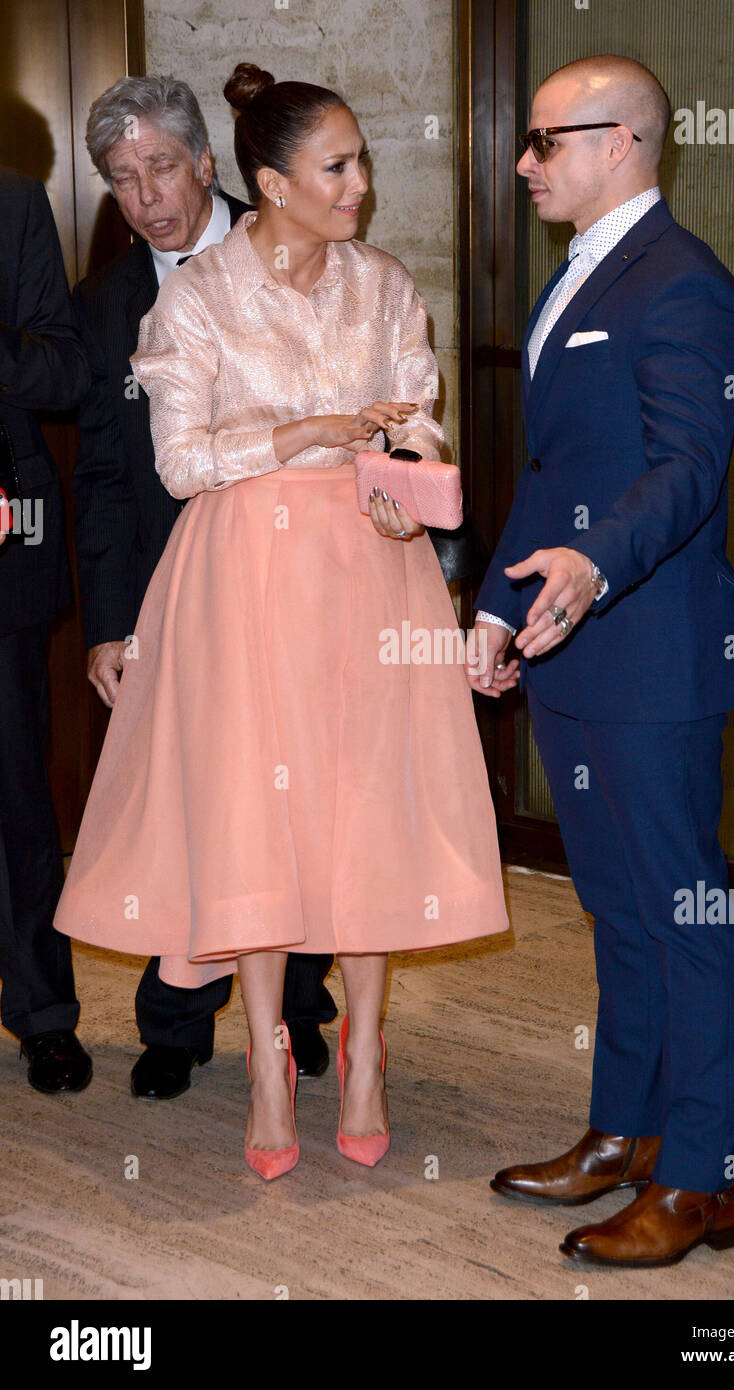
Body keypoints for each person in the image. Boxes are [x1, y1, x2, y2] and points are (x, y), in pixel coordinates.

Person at [55, 63, 508, 1177]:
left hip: (368, 578)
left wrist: (407, 496)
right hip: (238, 581)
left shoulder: (389, 284)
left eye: (358, 162)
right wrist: (305, 434)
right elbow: (176, 462)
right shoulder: (196, 297)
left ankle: (359, 1054)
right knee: (249, 822)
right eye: (338, 165)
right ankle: (266, 1062)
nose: (360, 183)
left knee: (365, 813)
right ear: (271, 181)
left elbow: (418, 433)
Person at [469, 55, 734, 1267]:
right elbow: (555, 475)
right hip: (571, 648)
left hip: (651, 655)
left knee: (685, 913)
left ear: (621, 144)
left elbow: (685, 470)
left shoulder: (684, 286)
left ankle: (702, 1180)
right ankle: (624, 1132)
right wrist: (495, 606)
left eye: (545, 141)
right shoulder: (579, 273)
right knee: (618, 911)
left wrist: (592, 568)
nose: (525, 162)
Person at [72, 76, 336, 1100]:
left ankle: (301, 1006)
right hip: (175, 601)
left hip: (298, 585)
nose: (147, 196)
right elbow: (100, 480)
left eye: (162, 168)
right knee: (183, 802)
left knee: (299, 796)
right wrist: (107, 628)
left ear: (207, 164)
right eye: (122, 178)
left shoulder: (294, 255)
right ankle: (177, 1022)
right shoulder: (108, 304)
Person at [0, 167, 92, 1092]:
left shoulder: (14, 204)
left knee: (17, 789)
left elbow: (63, 370)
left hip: (1, 535)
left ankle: (41, 1010)